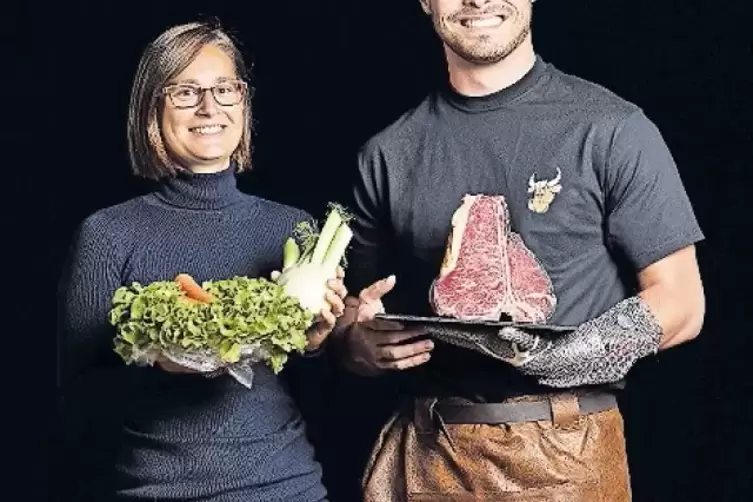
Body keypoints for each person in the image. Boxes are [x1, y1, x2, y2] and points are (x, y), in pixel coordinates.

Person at [331, 0, 706, 500]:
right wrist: (356, 345)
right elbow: (347, 312)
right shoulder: (388, 154)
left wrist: (576, 356)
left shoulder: (611, 128)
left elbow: (682, 302)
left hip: (569, 453)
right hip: (427, 455)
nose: (478, 1)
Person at [56, 21, 345, 502]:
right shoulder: (107, 234)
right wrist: (154, 362)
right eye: (185, 92)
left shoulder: (293, 229)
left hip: (286, 489)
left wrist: (315, 344)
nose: (209, 107)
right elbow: (78, 408)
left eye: (224, 89)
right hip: (156, 492)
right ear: (153, 107)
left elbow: (326, 401)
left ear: (243, 102)